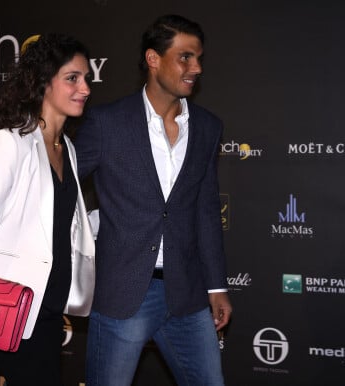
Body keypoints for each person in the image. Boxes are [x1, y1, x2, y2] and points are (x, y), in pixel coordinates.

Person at [74, 14, 232, 386]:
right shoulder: (106, 122)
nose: (196, 67)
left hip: (189, 294)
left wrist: (217, 285)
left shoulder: (208, 126)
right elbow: (63, 188)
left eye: (199, 58)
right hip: (123, 293)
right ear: (153, 59)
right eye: (185, 57)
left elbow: (206, 209)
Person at [0, 33, 95, 386]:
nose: (84, 88)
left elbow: (57, 224)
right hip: (15, 310)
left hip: (51, 307)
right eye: (72, 78)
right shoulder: (9, 143)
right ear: (43, 83)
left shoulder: (66, 147)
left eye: (86, 78)